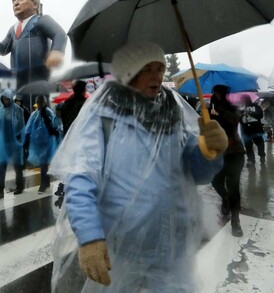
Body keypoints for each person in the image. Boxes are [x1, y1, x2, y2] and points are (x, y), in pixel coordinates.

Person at [49, 42, 227, 292]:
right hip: (122, 251)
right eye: (147, 69)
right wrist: (89, 238)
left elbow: (196, 174)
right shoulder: (103, 115)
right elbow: (81, 179)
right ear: (129, 72)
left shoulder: (171, 111)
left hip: (172, 252)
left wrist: (209, 151)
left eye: (160, 68)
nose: (156, 76)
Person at [0, 0, 67, 105]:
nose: (16, 3)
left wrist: (56, 52)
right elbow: (4, 48)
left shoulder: (41, 20)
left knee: (37, 106)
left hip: (37, 75)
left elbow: (59, 34)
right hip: (16, 77)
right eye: (13, 1)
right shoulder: (13, 29)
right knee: (17, 106)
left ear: (35, 5)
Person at [209, 85, 246, 237]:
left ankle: (235, 222)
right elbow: (206, 128)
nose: (215, 95)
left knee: (234, 186)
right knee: (216, 181)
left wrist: (220, 112)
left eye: (217, 93)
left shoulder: (232, 108)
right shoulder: (209, 108)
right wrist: (208, 116)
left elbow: (235, 120)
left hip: (234, 152)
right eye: (214, 93)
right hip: (217, 152)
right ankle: (225, 198)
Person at [55, 80, 89, 198]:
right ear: (83, 90)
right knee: (81, 170)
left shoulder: (66, 104)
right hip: (82, 142)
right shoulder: (86, 104)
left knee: (70, 168)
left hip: (68, 140)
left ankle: (66, 190)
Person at [0, 88, 26, 198]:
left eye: (7, 99)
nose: (5, 101)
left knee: (17, 166)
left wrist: (14, 132)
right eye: (4, 99)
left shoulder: (18, 110)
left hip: (15, 142)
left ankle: (20, 186)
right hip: (5, 142)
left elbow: (21, 126)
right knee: (2, 167)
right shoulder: (1, 110)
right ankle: (0, 189)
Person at [25, 95, 60, 193]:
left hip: (47, 142)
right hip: (38, 143)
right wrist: (26, 138)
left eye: (41, 103)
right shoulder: (35, 114)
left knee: (43, 164)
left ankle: (43, 185)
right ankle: (46, 182)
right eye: (38, 103)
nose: (40, 105)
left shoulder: (48, 112)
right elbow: (29, 127)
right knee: (43, 163)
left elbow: (55, 125)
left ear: (44, 103)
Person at [240, 94, 266, 166]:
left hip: (256, 129)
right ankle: (251, 160)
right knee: (248, 145)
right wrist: (241, 115)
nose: (242, 101)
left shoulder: (256, 106)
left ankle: (262, 155)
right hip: (246, 129)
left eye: (243, 100)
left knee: (259, 143)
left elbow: (260, 115)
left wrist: (250, 113)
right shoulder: (240, 108)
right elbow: (238, 119)